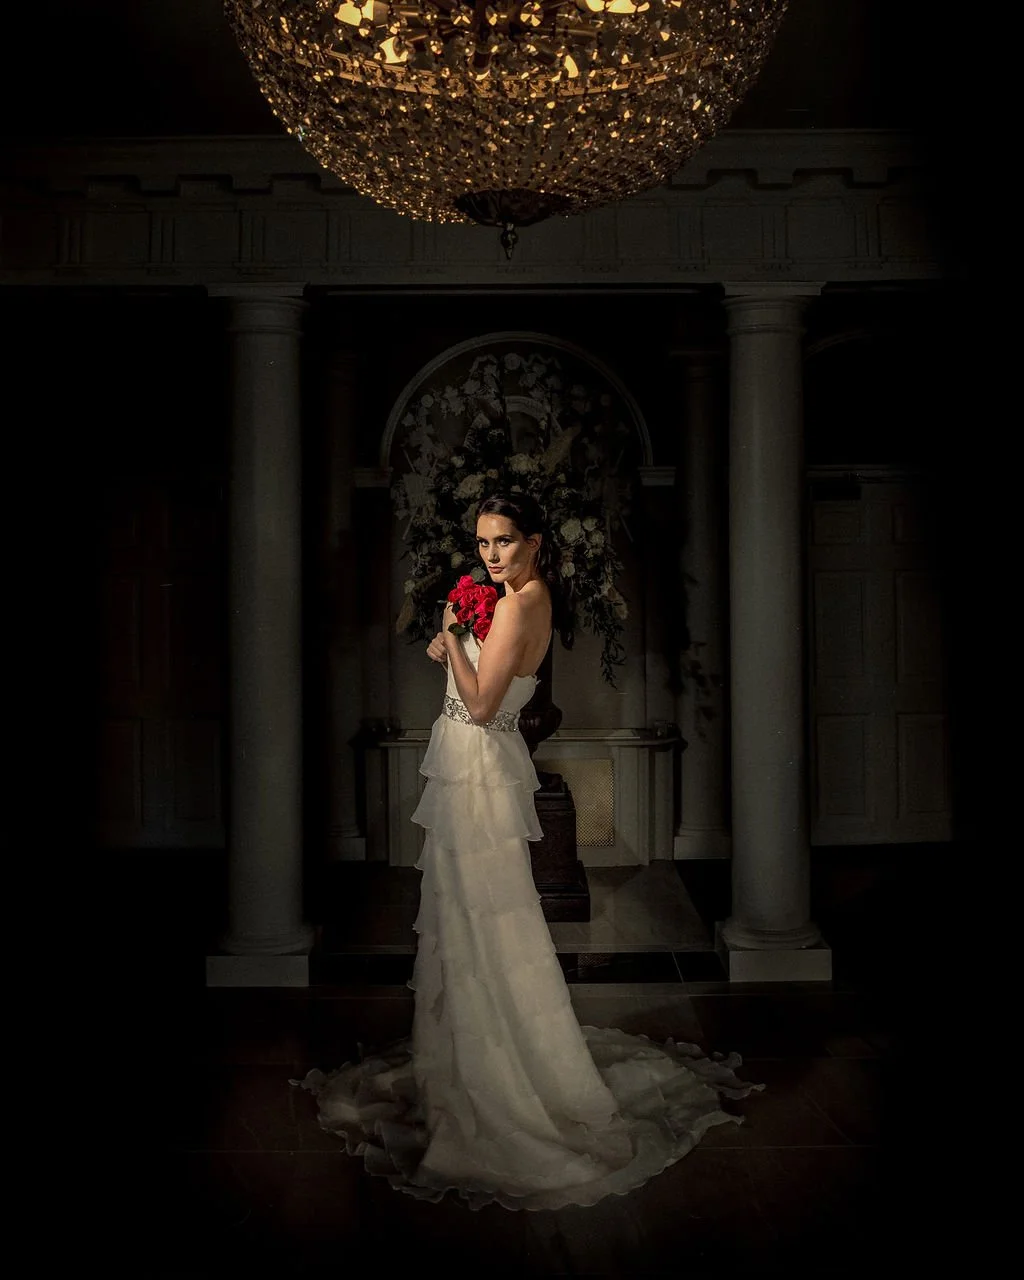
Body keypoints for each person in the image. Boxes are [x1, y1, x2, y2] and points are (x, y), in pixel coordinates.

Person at [296, 493, 760, 1211]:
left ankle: (500, 1078)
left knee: (483, 916)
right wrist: (456, 641)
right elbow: (482, 693)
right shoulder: (521, 597)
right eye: (483, 542)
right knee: (472, 915)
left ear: (534, 542)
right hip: (474, 767)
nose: (490, 555)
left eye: (504, 541)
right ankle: (475, 1061)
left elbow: (481, 707)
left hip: (479, 770)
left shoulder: (519, 604)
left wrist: (450, 639)